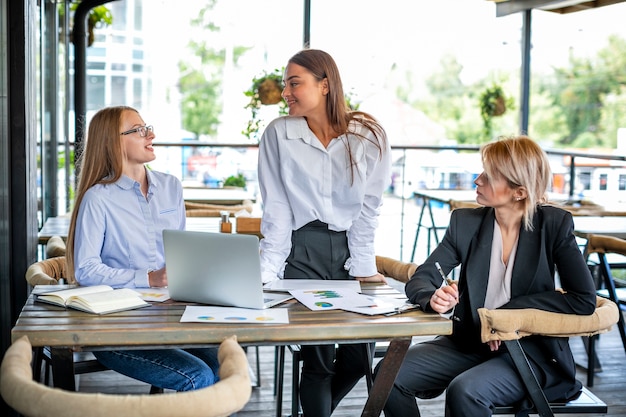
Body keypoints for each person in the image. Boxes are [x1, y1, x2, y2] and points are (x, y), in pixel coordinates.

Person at [378, 135, 597, 417]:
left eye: (489, 176)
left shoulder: (553, 225)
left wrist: (504, 317)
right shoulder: (465, 223)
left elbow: (583, 300)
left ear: (519, 192)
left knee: (466, 390)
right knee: (388, 374)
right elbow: (423, 277)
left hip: (529, 352)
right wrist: (432, 296)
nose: (477, 180)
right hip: (469, 343)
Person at [257, 49, 392, 416]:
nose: (285, 92)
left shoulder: (368, 135)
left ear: (326, 84)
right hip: (302, 253)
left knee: (358, 353)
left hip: (349, 250)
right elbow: (278, 209)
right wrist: (266, 272)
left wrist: (363, 264)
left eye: (294, 83)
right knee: (318, 362)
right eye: (286, 84)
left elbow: (368, 207)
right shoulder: (278, 134)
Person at [65, 106, 220, 392]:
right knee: (199, 377)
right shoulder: (98, 198)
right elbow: (85, 269)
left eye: (147, 127)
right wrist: (148, 277)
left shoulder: (171, 185)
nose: (151, 134)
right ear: (114, 141)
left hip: (172, 315)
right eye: (139, 130)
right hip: (117, 328)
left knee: (227, 363)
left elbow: (181, 250)